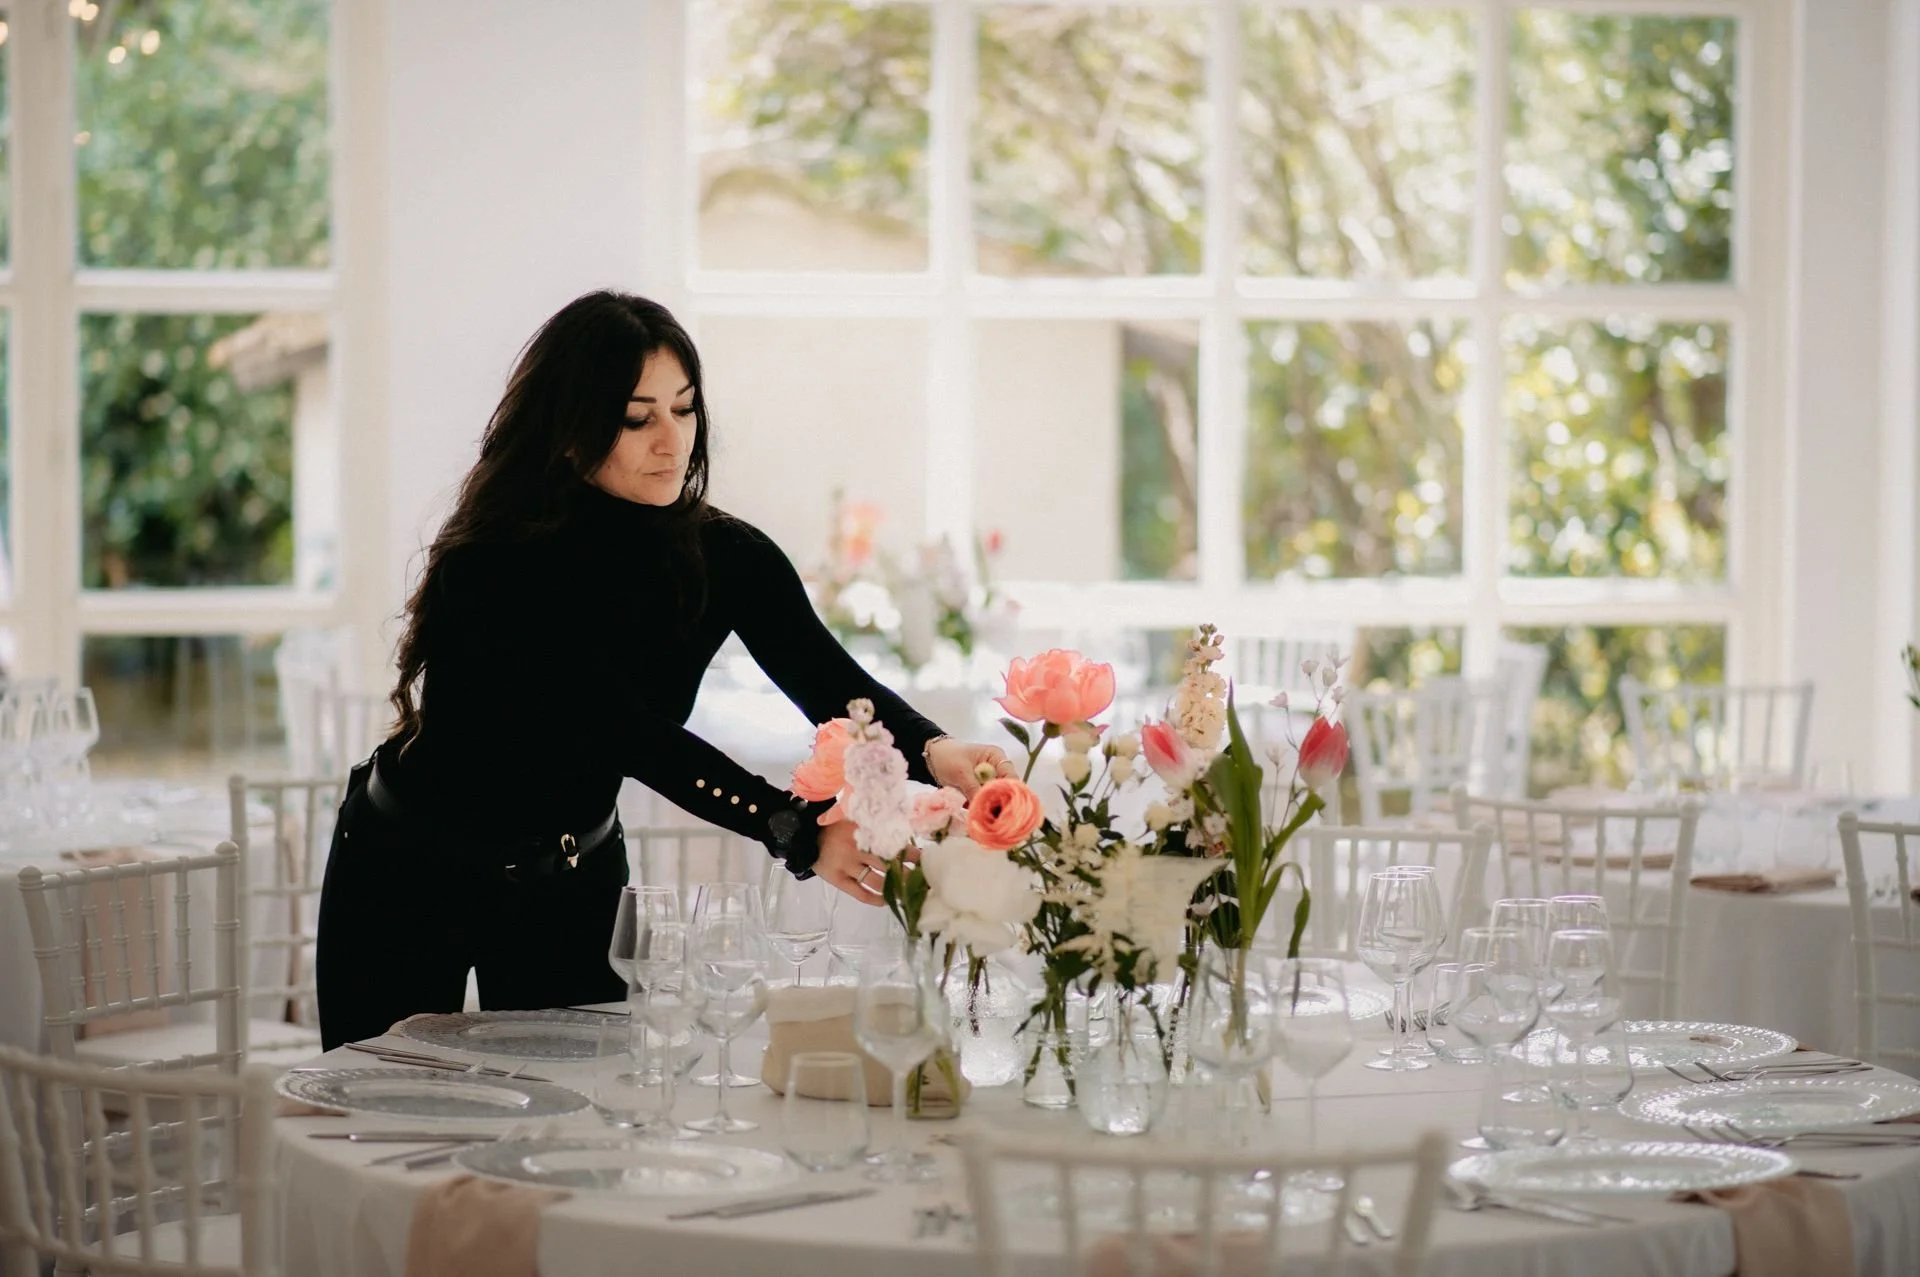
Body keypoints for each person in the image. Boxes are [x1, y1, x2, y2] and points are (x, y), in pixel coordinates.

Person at [315, 291, 1013, 1049]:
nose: (671, 441)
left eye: (683, 409)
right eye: (636, 417)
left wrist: (930, 747)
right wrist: (798, 830)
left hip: (573, 878)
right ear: (572, 428)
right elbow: (630, 736)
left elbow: (824, 675)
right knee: (379, 1118)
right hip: (409, 869)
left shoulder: (726, 556)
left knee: (578, 1140)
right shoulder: (497, 562)